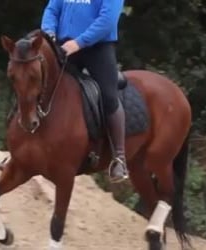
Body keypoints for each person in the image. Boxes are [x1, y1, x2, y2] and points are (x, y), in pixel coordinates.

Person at [41, 0, 128, 183]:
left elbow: (108, 20)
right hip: (64, 46)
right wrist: (49, 32)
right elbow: (52, 9)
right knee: (41, 86)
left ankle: (119, 157)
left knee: (108, 95)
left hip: (97, 48)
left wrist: (79, 43)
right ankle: (25, 147)